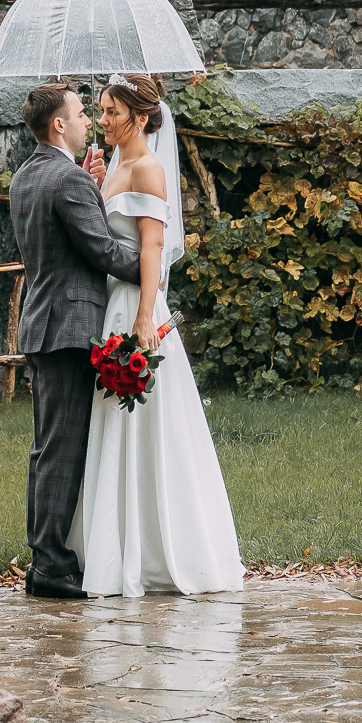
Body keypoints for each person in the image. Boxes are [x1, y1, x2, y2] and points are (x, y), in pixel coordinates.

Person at [69, 71, 243, 596]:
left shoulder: (148, 169)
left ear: (140, 118)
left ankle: (153, 551)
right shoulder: (113, 165)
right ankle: (107, 547)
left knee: (146, 428)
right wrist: (91, 177)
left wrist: (146, 317)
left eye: (112, 113)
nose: (102, 121)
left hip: (133, 309)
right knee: (108, 427)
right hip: (106, 308)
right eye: (98, 111)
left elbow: (150, 249)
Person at [9, 79, 142, 600]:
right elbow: (102, 251)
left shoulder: (28, 175)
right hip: (69, 328)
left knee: (47, 450)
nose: (90, 119)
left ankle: (46, 556)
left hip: (43, 322)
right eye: (82, 113)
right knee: (62, 450)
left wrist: (87, 184)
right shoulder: (67, 180)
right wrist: (153, 267)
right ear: (59, 123)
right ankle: (51, 565)